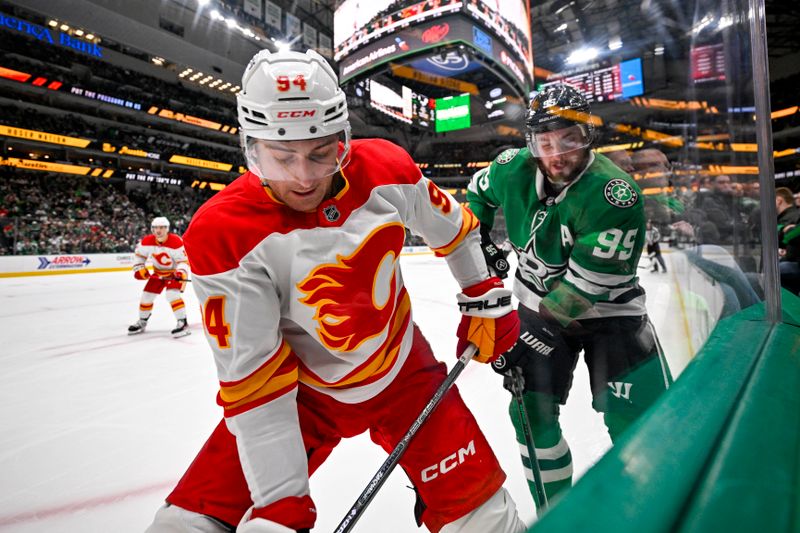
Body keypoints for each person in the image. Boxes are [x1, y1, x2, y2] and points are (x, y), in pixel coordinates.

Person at [145, 49, 526, 533]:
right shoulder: (223, 231)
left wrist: (483, 293)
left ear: (343, 139)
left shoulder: (387, 167)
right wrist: (281, 504)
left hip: (405, 374)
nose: (304, 177)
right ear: (252, 149)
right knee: (183, 526)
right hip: (301, 393)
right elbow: (256, 383)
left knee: (486, 518)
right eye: (282, 157)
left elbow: (455, 228)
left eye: (321, 153)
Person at [466, 84, 672, 504]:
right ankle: (554, 514)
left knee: (640, 421)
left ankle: (652, 511)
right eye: (545, 142)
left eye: (569, 140)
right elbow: (476, 191)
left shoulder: (614, 194)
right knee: (529, 415)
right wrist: (479, 241)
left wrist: (522, 330)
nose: (557, 154)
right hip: (538, 303)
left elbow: (584, 290)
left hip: (609, 313)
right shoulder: (511, 167)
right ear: (530, 142)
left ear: (588, 136)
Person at [128, 216, 190, 337]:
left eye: (162, 227)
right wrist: (139, 268)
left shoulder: (176, 241)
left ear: (167, 229)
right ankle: (142, 321)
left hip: (174, 273)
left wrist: (180, 272)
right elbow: (139, 256)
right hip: (158, 274)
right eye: (155, 228)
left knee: (172, 295)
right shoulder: (146, 241)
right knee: (146, 297)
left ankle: (183, 322)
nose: (158, 230)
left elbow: (183, 261)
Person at [776, 187, 800, 294]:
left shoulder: (791, 215)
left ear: (779, 200)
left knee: (776, 270)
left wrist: (786, 231)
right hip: (793, 259)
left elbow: (790, 236)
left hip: (794, 262)